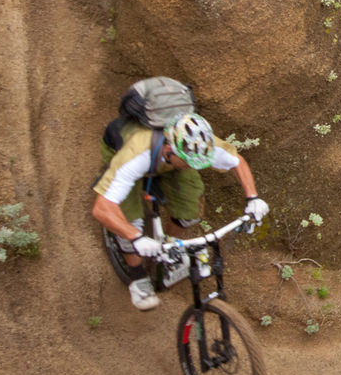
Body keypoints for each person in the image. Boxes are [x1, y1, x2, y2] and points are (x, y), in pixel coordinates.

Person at [91, 112, 268, 310]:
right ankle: (137, 276)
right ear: (169, 149)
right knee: (129, 221)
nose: (196, 165)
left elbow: (237, 162)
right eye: (191, 161)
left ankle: (168, 244)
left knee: (189, 210)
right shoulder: (134, 156)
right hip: (123, 150)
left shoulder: (198, 144)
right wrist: (135, 237)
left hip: (168, 163)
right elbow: (102, 209)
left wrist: (253, 198)